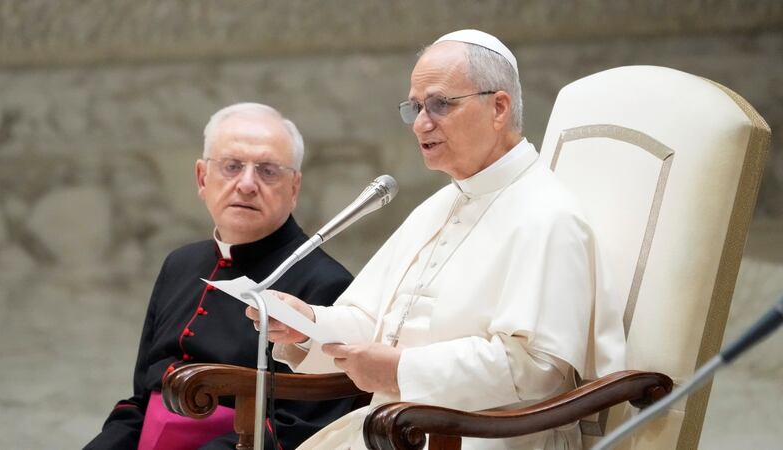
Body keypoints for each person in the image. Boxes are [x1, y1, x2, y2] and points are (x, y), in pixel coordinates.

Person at [247, 30, 626, 449]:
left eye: (440, 104)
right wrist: (306, 325)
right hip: (398, 429)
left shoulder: (549, 216)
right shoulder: (440, 204)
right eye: (414, 108)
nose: (421, 124)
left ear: (498, 107)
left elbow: (537, 369)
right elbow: (376, 327)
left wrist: (401, 371)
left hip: (487, 437)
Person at [86, 103, 355, 450]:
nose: (246, 184)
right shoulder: (180, 264)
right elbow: (141, 399)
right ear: (202, 178)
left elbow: (304, 427)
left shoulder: (327, 283)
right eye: (231, 167)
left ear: (294, 188)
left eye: (268, 171)